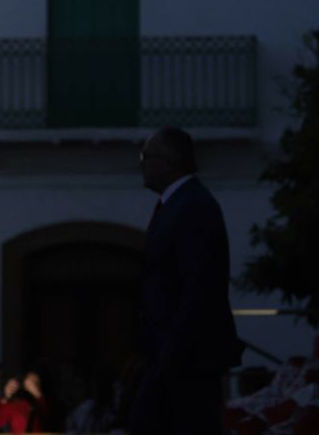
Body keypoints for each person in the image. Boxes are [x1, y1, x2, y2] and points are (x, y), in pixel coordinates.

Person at [129, 126, 242, 434]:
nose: (140, 164)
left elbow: (198, 286)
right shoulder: (179, 204)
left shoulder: (192, 205)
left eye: (145, 156)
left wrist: (171, 351)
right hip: (172, 355)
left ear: (169, 160)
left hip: (185, 358)